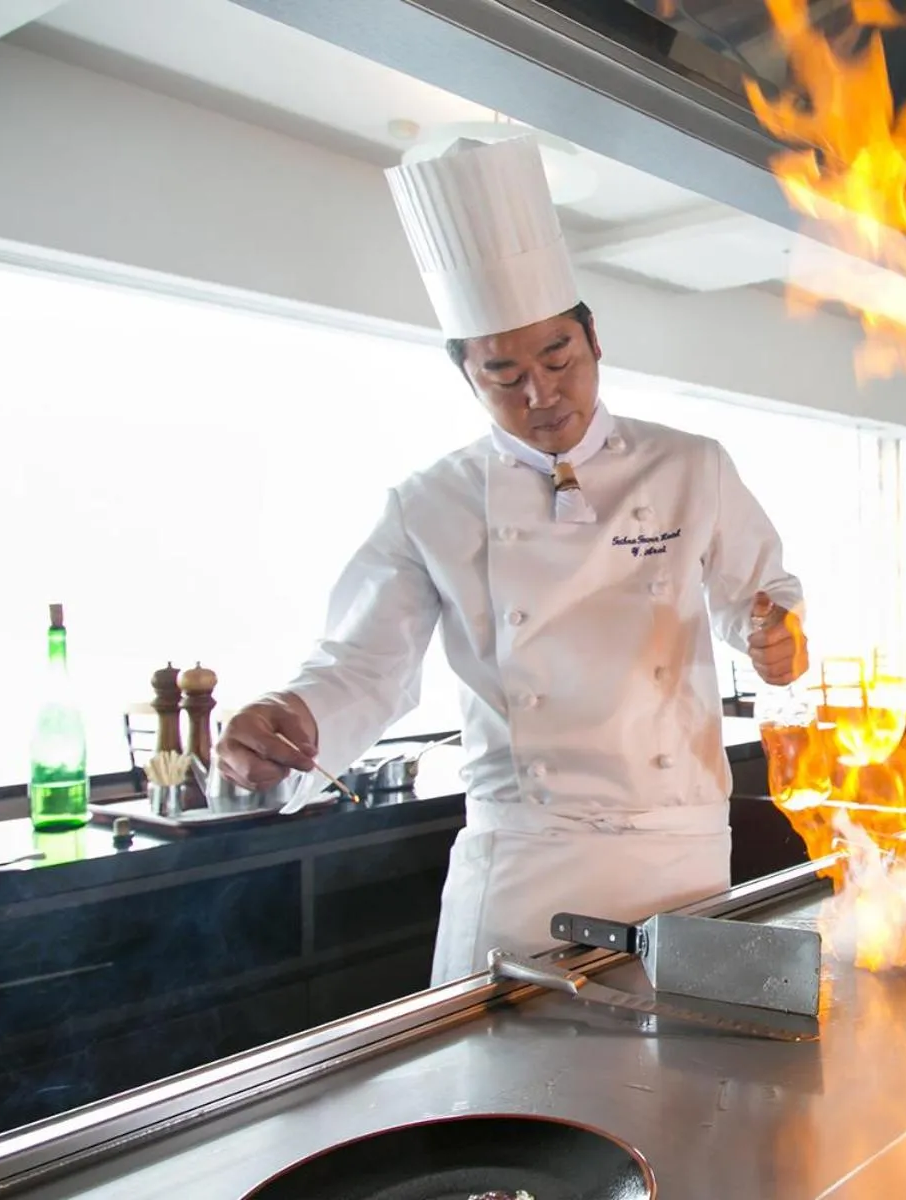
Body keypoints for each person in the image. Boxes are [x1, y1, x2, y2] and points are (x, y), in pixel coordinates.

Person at [216, 133, 808, 985]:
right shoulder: (429, 501)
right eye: (504, 374)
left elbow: (761, 598)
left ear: (593, 340)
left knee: (682, 1093)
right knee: (497, 1099)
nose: (541, 395)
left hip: (677, 846)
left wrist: (774, 637)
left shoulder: (691, 465)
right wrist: (294, 714)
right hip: (526, 856)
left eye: (557, 360)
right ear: (465, 374)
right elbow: (362, 663)